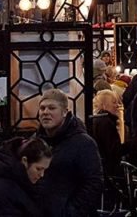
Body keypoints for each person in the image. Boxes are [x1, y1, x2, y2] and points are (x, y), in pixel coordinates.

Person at [34, 88, 103, 217]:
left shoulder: (83, 143)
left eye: (51, 108)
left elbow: (93, 184)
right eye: (42, 108)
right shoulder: (35, 142)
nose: (46, 112)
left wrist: (71, 212)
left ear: (64, 112)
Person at [0, 137, 51, 217]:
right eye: (39, 169)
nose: (42, 175)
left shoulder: (19, 182)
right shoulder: (2, 189)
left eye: (45, 170)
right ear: (24, 161)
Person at [89, 89, 123, 179]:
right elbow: (114, 150)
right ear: (105, 105)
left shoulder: (97, 119)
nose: (117, 106)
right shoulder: (105, 122)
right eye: (114, 102)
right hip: (108, 171)